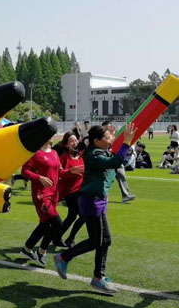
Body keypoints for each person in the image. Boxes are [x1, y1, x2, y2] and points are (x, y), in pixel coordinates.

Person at [54, 123, 137, 296]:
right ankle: (63, 257)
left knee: (106, 240)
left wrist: (113, 140)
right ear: (96, 141)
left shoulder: (101, 151)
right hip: (91, 202)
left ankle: (99, 277)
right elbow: (116, 161)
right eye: (106, 137)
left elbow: (114, 157)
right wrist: (126, 142)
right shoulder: (94, 154)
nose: (110, 139)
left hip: (99, 201)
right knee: (95, 241)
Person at [19, 139, 62, 267]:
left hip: (54, 194)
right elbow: (24, 171)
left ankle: (27, 249)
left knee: (45, 224)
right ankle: (42, 251)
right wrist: (39, 177)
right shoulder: (35, 153)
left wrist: (71, 171)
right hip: (41, 195)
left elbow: (59, 172)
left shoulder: (54, 153)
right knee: (58, 224)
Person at [53, 132, 85, 248]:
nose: (74, 143)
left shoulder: (81, 155)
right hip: (70, 192)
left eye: (75, 140)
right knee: (82, 216)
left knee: (73, 216)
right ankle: (69, 239)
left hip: (81, 190)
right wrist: (70, 171)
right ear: (66, 145)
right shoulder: (64, 157)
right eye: (71, 141)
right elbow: (59, 173)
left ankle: (58, 237)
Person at [101, 121, 135, 203]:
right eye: (106, 127)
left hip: (116, 158)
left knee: (121, 175)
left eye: (109, 127)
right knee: (105, 178)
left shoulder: (114, 135)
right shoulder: (100, 137)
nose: (108, 129)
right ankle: (103, 195)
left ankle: (126, 195)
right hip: (105, 160)